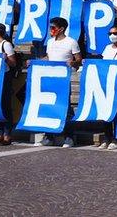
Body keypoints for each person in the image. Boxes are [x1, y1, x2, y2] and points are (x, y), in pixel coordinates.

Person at [36, 17, 82, 147]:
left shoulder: (71, 42)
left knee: (65, 107)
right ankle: (49, 136)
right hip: (50, 77)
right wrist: (36, 62)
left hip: (63, 79)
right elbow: (49, 58)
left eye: (53, 27)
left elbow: (79, 59)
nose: (51, 30)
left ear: (61, 29)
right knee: (49, 106)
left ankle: (69, 137)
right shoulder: (50, 42)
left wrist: (73, 62)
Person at [97, 26, 117, 150]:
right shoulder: (106, 48)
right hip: (106, 84)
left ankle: (116, 139)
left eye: (115, 33)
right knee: (105, 111)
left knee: (115, 111)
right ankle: (107, 137)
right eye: (110, 33)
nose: (112, 35)